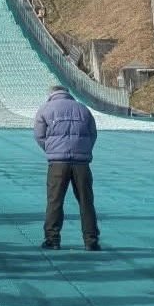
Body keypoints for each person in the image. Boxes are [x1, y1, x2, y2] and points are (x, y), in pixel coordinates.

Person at [35, 85, 100, 251]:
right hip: (81, 163)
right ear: (68, 94)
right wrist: (84, 150)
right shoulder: (83, 109)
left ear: (52, 94)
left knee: (55, 201)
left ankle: (52, 239)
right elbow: (92, 134)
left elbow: (39, 136)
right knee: (86, 201)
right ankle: (91, 240)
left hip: (58, 163)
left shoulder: (45, 109)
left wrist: (51, 149)